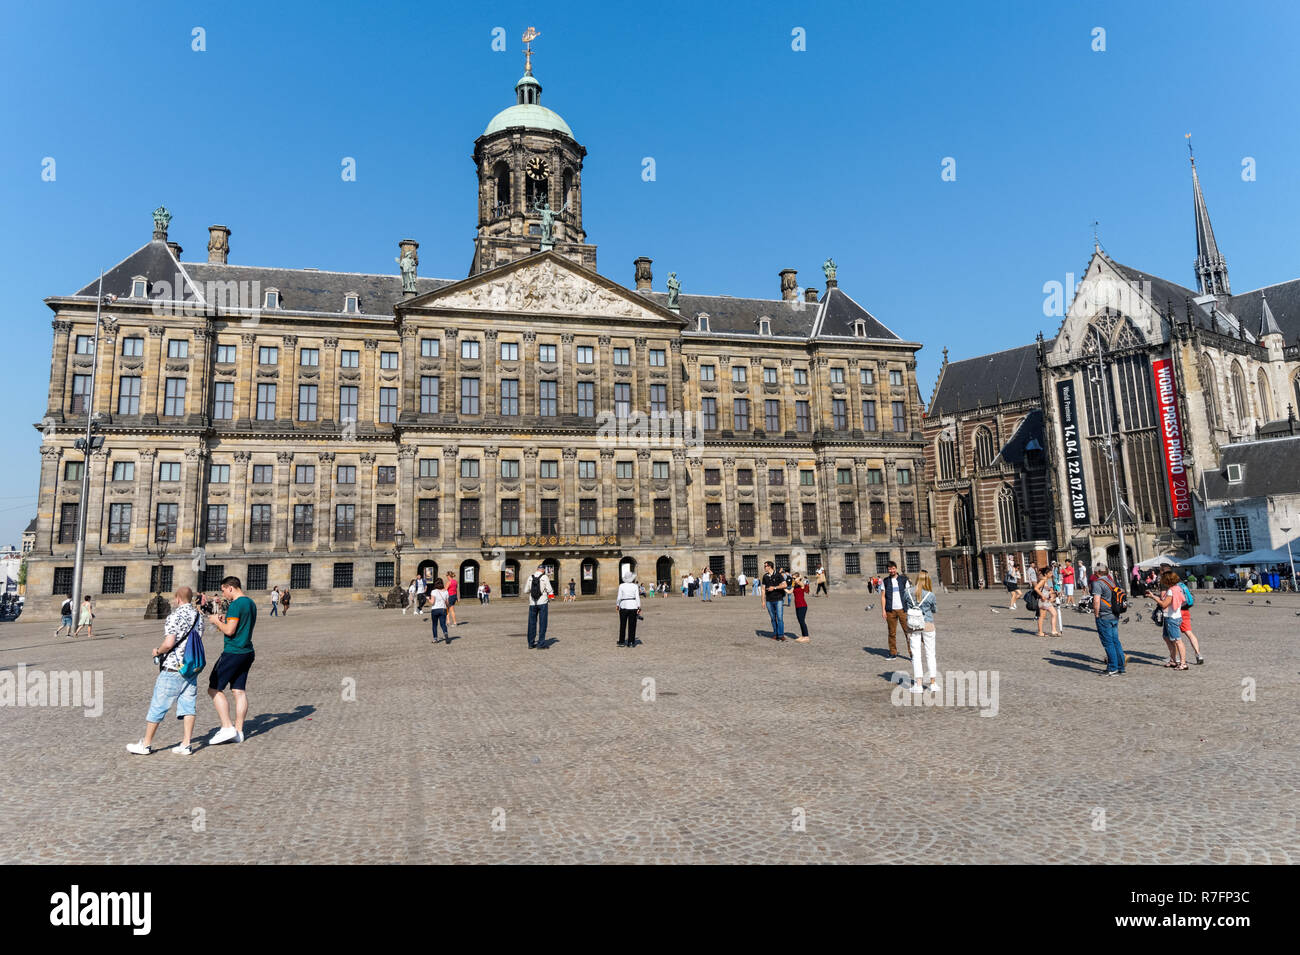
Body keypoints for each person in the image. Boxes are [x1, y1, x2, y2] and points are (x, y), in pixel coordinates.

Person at [127, 586, 204, 756]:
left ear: (177, 599)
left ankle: (146, 744)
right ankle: (186, 744)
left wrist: (158, 651)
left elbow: (169, 643)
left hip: (173, 668)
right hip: (191, 667)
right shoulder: (199, 616)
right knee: (188, 705)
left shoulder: (174, 616)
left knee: (158, 705)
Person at [204, 575, 256, 745]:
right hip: (247, 651)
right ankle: (239, 731)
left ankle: (227, 727)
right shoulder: (251, 603)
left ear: (231, 587)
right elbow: (240, 627)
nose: (223, 594)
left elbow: (230, 631)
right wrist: (224, 621)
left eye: (224, 590)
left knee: (213, 689)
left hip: (233, 652)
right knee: (238, 691)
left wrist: (215, 621)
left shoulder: (235, 605)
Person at [1090, 563, 1127, 676]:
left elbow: (1096, 601)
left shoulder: (1098, 583)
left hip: (1104, 615)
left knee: (1108, 643)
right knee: (1116, 641)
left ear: (1097, 572)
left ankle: (1112, 667)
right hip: (1114, 615)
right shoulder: (1111, 582)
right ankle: (1121, 666)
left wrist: (1096, 614)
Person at [1147, 570, 1188, 670]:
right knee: (1166, 637)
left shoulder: (1171, 590)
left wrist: (1153, 597)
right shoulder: (1178, 588)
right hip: (1174, 616)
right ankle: (1173, 660)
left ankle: (1183, 663)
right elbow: (1182, 601)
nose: (1161, 580)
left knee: (1177, 641)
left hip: (1172, 618)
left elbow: (1164, 604)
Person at [906, 570, 938, 693]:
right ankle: (933, 683)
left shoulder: (907, 592)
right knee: (930, 654)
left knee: (916, 656)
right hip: (928, 624)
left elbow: (905, 607)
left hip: (913, 626)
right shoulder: (930, 595)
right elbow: (934, 609)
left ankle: (918, 685)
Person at [880, 561, 911, 659]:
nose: (891, 570)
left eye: (893, 568)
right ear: (888, 570)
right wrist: (883, 610)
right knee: (891, 633)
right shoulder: (885, 581)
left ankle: (912, 654)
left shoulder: (903, 580)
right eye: (889, 569)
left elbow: (909, 595)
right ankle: (893, 652)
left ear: (896, 568)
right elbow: (883, 597)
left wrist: (910, 608)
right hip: (890, 610)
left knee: (908, 632)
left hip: (903, 609)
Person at [526, 564, 554, 649]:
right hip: (542, 603)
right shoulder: (544, 577)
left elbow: (526, 590)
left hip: (532, 603)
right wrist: (551, 597)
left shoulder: (530, 577)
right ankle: (541, 644)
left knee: (531, 623)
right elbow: (550, 590)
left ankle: (531, 643)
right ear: (543, 570)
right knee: (542, 623)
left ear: (537, 569)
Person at [761, 561, 787, 640]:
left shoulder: (778, 575)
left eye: (765, 566)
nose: (764, 568)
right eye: (764, 566)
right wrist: (763, 601)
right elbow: (763, 589)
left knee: (779, 617)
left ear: (770, 566)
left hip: (778, 598)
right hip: (769, 600)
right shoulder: (765, 576)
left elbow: (785, 585)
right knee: (773, 618)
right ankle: (775, 633)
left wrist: (774, 587)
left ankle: (781, 634)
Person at [616, 570, 642, 647]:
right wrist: (639, 606)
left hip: (623, 605)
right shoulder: (635, 586)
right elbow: (637, 597)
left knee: (623, 624)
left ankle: (621, 641)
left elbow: (619, 597)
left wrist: (617, 604)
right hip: (633, 605)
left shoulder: (621, 586)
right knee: (632, 625)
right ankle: (631, 642)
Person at [1033, 568, 1061, 637]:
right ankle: (1041, 632)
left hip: (1046, 601)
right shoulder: (1043, 580)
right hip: (1043, 601)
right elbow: (1036, 588)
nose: (1051, 574)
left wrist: (1055, 592)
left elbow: (1047, 590)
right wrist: (1042, 595)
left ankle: (1052, 631)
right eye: (1050, 573)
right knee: (1044, 616)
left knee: (1052, 614)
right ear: (1046, 574)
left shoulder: (1047, 580)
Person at [427, 577, 450, 643]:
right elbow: (447, 602)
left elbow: (432, 602)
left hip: (435, 609)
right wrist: (447, 608)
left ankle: (435, 638)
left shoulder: (433, 591)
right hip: (443, 609)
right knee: (443, 624)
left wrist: (428, 599)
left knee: (434, 625)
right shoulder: (446, 591)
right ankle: (445, 633)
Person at [791, 573, 812, 643]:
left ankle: (806, 637)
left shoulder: (801, 585)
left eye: (794, 578)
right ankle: (803, 636)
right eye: (792, 578)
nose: (793, 580)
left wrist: (798, 578)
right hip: (797, 605)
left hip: (802, 605)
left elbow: (800, 582)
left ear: (798, 578)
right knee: (800, 621)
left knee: (802, 621)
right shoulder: (795, 586)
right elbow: (789, 591)